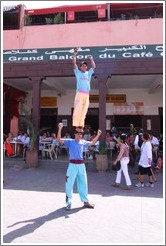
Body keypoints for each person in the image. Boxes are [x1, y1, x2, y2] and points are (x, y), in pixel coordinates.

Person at [57, 122, 102, 210]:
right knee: (69, 184)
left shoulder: (83, 142)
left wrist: (98, 135)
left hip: (81, 165)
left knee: (83, 183)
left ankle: (85, 202)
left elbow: (92, 143)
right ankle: (68, 203)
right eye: (78, 133)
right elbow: (59, 139)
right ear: (74, 134)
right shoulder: (70, 141)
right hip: (72, 165)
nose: (79, 135)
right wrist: (60, 129)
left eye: (81, 133)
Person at [72, 48, 96, 131]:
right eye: (82, 66)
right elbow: (74, 63)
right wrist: (75, 55)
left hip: (87, 94)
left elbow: (93, 66)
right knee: (78, 109)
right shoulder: (78, 72)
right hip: (79, 94)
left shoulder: (88, 73)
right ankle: (76, 126)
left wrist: (91, 58)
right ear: (80, 67)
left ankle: (81, 126)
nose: (84, 67)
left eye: (85, 66)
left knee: (84, 110)